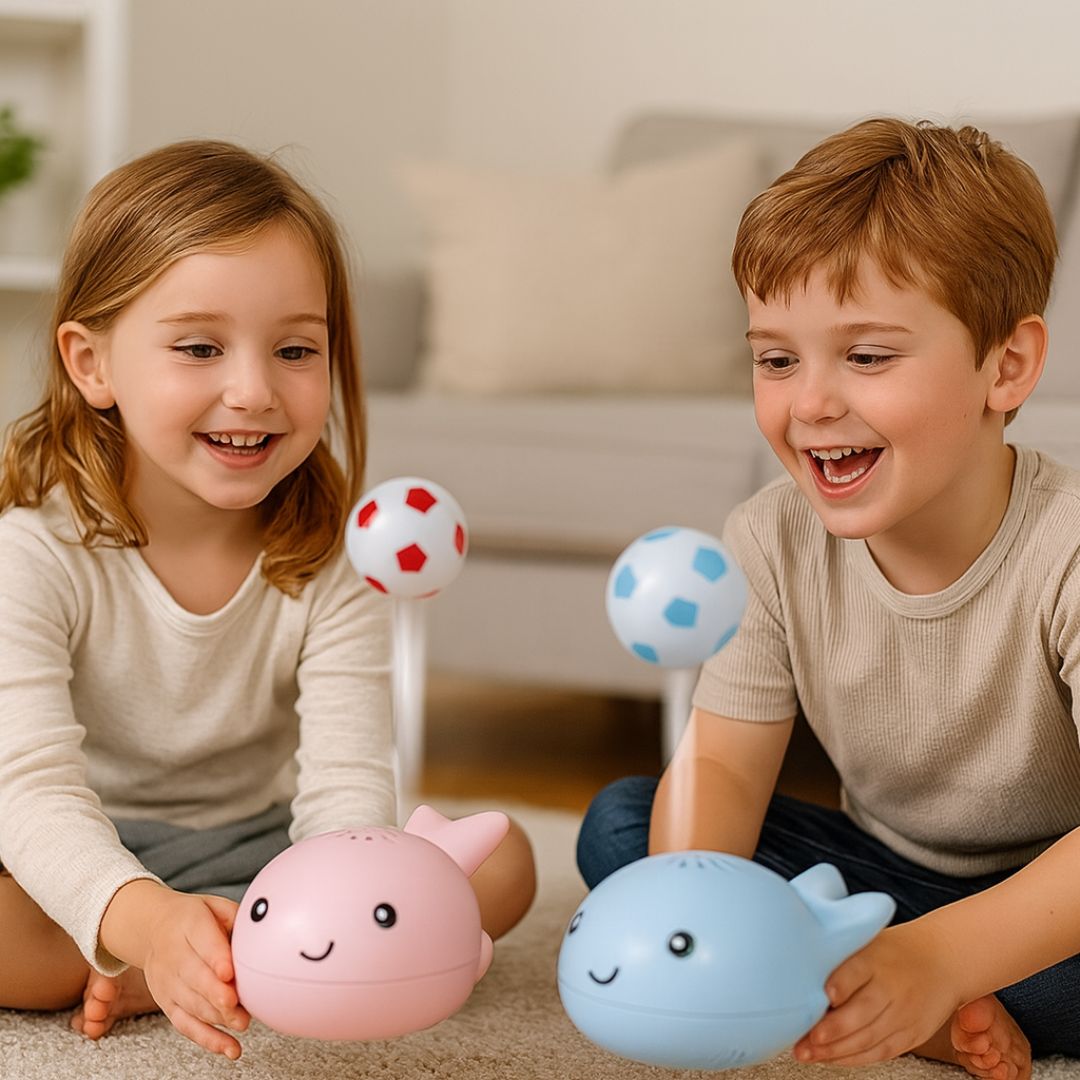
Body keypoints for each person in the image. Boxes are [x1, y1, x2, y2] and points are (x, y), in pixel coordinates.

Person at [0, 139, 536, 1060]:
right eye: (199, 348)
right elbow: (30, 791)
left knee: (505, 863)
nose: (252, 391)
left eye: (294, 349)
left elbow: (345, 791)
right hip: (74, 852)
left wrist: (343, 905)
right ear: (92, 365)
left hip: (264, 855)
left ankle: (210, 960)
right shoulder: (32, 552)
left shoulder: (339, 557)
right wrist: (144, 919)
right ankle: (180, 957)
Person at [576, 118, 1080, 1080]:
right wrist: (690, 918)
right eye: (777, 361)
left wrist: (944, 954)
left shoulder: (1069, 551)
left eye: (868, 357)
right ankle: (902, 1000)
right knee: (625, 830)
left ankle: (892, 984)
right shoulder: (768, 539)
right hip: (881, 878)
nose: (809, 403)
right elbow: (723, 770)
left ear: (1007, 365)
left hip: (1050, 902)